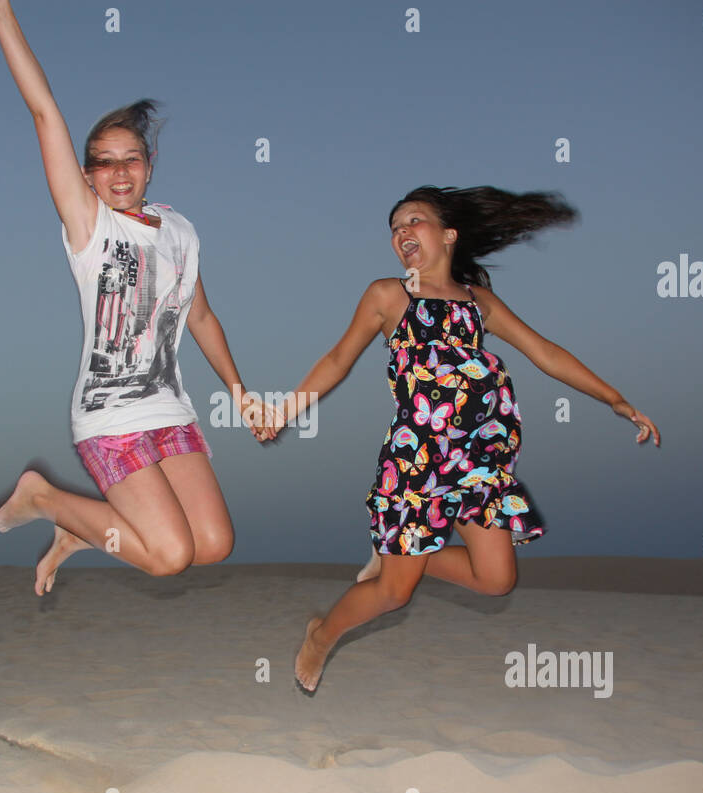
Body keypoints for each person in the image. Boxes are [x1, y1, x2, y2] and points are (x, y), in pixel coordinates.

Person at [259, 185, 661, 692]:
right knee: (393, 595)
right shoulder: (389, 295)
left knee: (496, 580)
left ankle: (402, 555)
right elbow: (339, 359)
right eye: (395, 228)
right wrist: (285, 410)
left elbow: (546, 352)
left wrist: (615, 399)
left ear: (448, 235)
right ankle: (322, 635)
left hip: (481, 460)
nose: (402, 232)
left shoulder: (479, 302)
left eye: (414, 221)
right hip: (418, 459)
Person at [0, 0, 273, 593]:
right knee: (167, 557)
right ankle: (47, 498)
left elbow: (203, 316)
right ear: (85, 175)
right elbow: (43, 112)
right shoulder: (89, 228)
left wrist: (240, 394)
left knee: (213, 545)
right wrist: (1, 12)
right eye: (102, 164)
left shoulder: (180, 230)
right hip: (110, 417)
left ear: (149, 163)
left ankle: (89, 530)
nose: (118, 173)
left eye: (130, 160)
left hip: (171, 413)